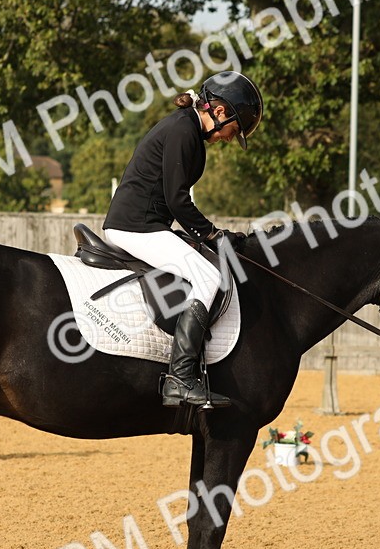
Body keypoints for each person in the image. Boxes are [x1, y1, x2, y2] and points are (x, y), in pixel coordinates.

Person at [102, 70, 263, 408]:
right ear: (220, 113)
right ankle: (180, 379)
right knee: (209, 276)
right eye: (235, 130)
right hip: (136, 226)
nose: (231, 138)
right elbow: (177, 200)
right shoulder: (182, 130)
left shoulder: (186, 128)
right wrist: (211, 233)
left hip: (149, 223)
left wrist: (206, 234)